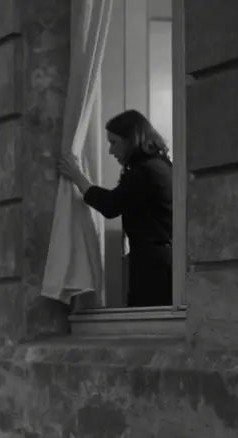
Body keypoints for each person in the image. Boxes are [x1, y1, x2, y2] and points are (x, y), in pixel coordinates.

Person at [58, 109, 174, 307]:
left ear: (131, 140)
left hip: (153, 265)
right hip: (162, 260)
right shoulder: (161, 166)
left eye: (114, 143)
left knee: (145, 317)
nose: (111, 151)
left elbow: (110, 205)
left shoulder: (146, 171)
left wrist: (78, 177)